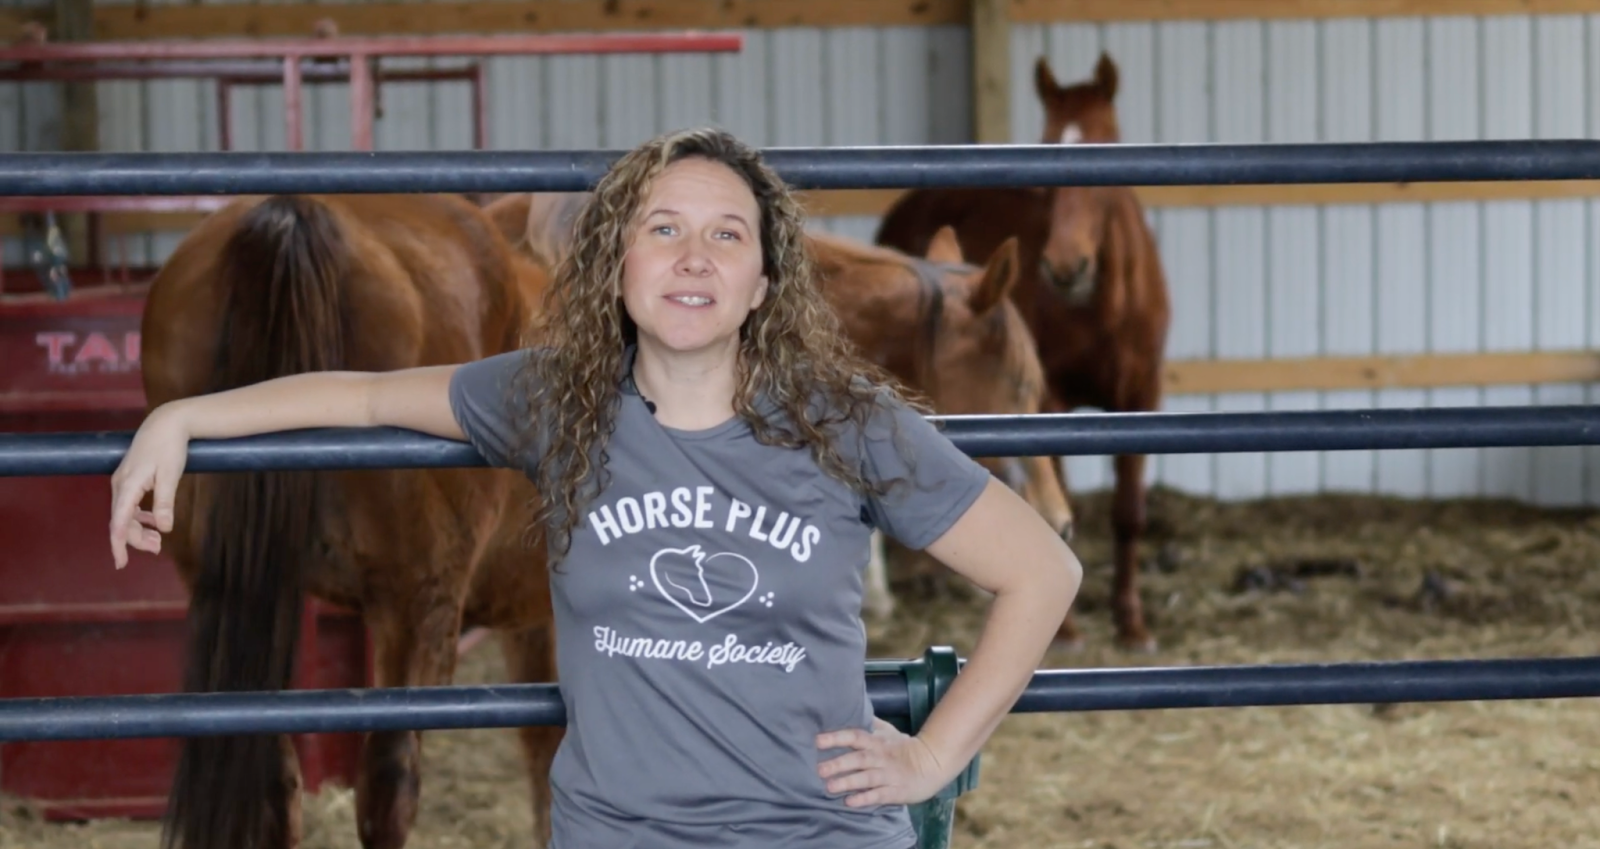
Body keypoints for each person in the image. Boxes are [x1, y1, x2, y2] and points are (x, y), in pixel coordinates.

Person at [107, 127, 1084, 849]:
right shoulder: (552, 401)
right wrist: (185, 418)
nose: (694, 257)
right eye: (664, 229)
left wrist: (929, 756)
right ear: (618, 266)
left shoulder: (845, 420)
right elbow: (361, 398)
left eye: (727, 236)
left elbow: (1041, 572)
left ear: (764, 282)